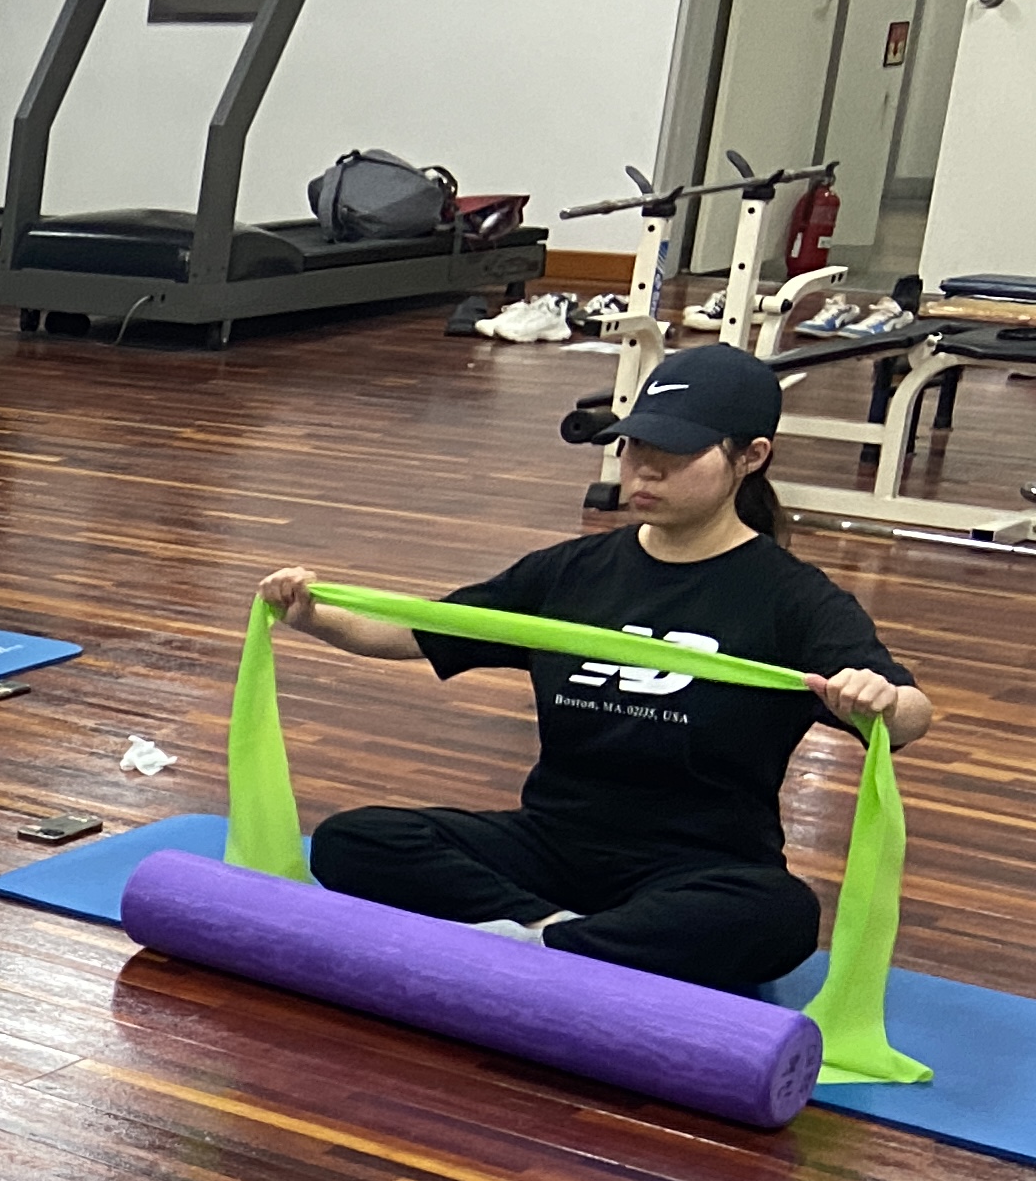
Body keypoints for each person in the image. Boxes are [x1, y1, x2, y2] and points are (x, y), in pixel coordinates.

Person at [274, 342, 932, 992]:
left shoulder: (792, 599)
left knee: (781, 916)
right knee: (354, 840)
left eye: (676, 453)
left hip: (697, 868)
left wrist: (877, 698)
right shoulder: (574, 572)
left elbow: (908, 716)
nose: (646, 471)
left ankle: (539, 947)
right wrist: (313, 615)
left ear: (751, 457)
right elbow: (422, 630)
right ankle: (558, 938)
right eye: (636, 447)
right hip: (551, 845)